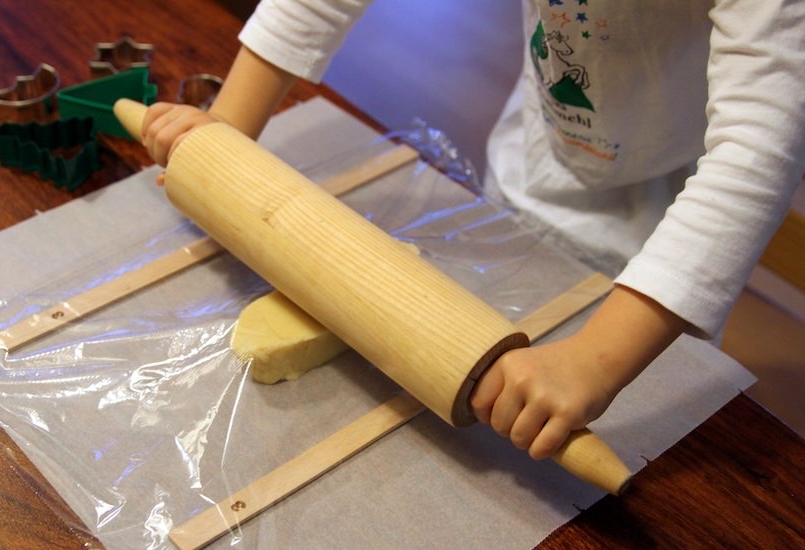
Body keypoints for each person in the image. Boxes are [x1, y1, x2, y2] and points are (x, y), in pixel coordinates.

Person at [140, 0, 805, 460]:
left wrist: (595, 358)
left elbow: (759, 149)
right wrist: (227, 129)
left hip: (662, 243)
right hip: (533, 161)